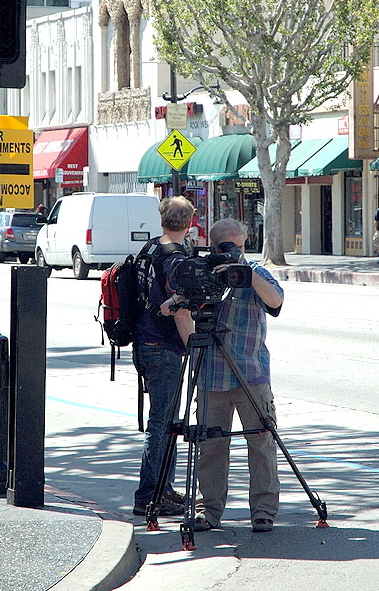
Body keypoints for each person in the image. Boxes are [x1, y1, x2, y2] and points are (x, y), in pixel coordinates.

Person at [161, 217, 283, 533]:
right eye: (228, 247)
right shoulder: (202, 275)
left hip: (251, 373)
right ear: (213, 247)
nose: (234, 252)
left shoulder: (255, 272)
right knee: (210, 447)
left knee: (261, 442)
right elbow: (168, 307)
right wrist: (189, 294)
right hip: (212, 373)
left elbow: (276, 300)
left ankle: (264, 511)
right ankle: (208, 511)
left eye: (240, 246)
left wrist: (245, 271)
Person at [132, 196, 195, 516]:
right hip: (164, 347)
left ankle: (163, 489)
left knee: (166, 421)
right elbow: (179, 310)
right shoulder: (175, 257)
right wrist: (195, 348)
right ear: (189, 223)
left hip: (146, 342)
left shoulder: (151, 249)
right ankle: (149, 494)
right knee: (161, 423)